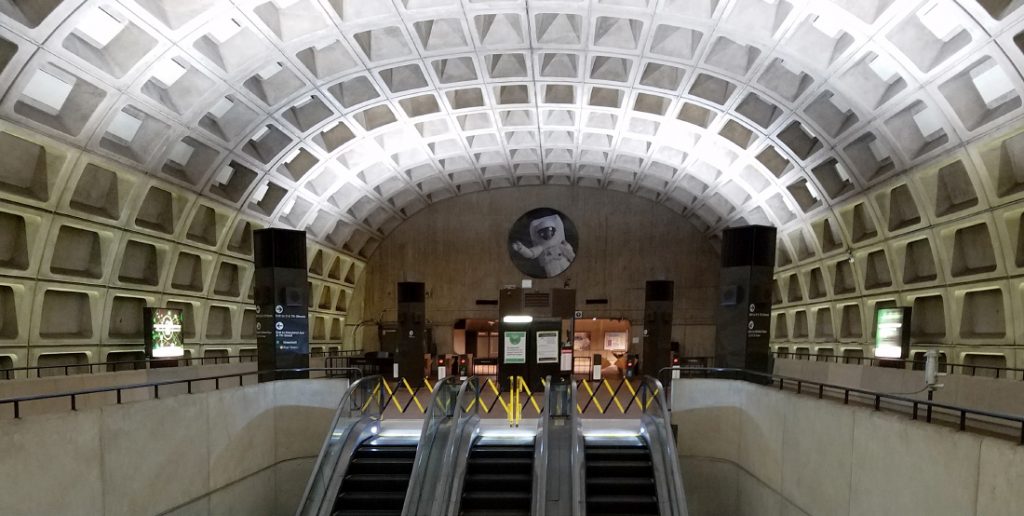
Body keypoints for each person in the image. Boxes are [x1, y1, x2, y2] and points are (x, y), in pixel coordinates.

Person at [511, 213, 575, 277]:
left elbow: (571, 255)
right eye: (543, 232)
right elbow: (531, 254)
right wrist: (521, 249)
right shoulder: (541, 247)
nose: (547, 234)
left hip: (565, 264)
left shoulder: (559, 243)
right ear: (540, 234)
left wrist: (567, 247)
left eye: (549, 231)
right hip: (552, 270)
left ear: (553, 231)